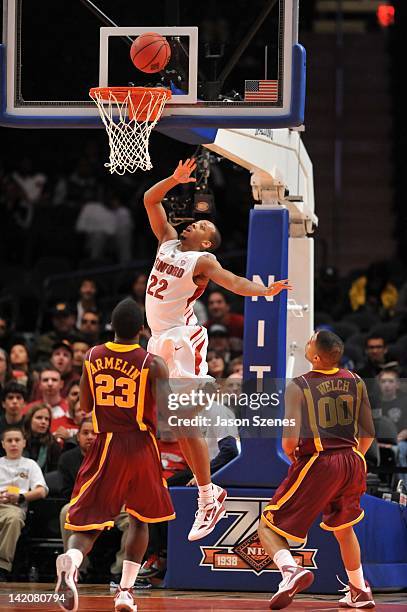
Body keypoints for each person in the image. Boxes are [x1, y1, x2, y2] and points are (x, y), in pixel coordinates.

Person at [143, 158, 291, 541]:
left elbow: (235, 282)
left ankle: (208, 497)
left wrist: (264, 290)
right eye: (196, 221)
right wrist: (174, 179)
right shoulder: (167, 242)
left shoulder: (202, 259)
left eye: (203, 225)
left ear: (207, 241)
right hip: (159, 339)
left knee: (185, 419)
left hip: (181, 337)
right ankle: (209, 494)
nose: (194, 223)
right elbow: (149, 199)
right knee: (178, 426)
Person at [55, 298, 175, 612]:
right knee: (140, 520)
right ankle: (124, 591)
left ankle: (73, 559)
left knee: (90, 522)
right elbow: (167, 419)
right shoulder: (153, 363)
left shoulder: (93, 355)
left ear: (111, 326)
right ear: (142, 329)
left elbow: (85, 406)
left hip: (105, 443)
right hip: (140, 445)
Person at [257, 330, 375, 609]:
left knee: (268, 525)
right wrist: (353, 456)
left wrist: (297, 460)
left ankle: (290, 571)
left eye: (309, 340)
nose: (307, 341)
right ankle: (359, 589)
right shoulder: (356, 381)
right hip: (353, 460)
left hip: (320, 462)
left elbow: (289, 441)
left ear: (316, 356)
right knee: (344, 529)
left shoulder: (299, 385)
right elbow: (368, 432)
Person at [0, 427, 48, 581]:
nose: (13, 444)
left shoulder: (30, 464)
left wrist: (20, 497)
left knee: (13, 519)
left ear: (24, 443)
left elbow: (42, 491)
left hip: (15, 506)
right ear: (3, 444)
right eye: (9, 440)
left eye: (17, 440)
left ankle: (2, 567)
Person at [23, 404, 62, 473]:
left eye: (47, 419)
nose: (44, 422)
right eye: (39, 418)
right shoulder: (19, 439)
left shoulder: (53, 444)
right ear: (29, 420)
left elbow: (54, 474)